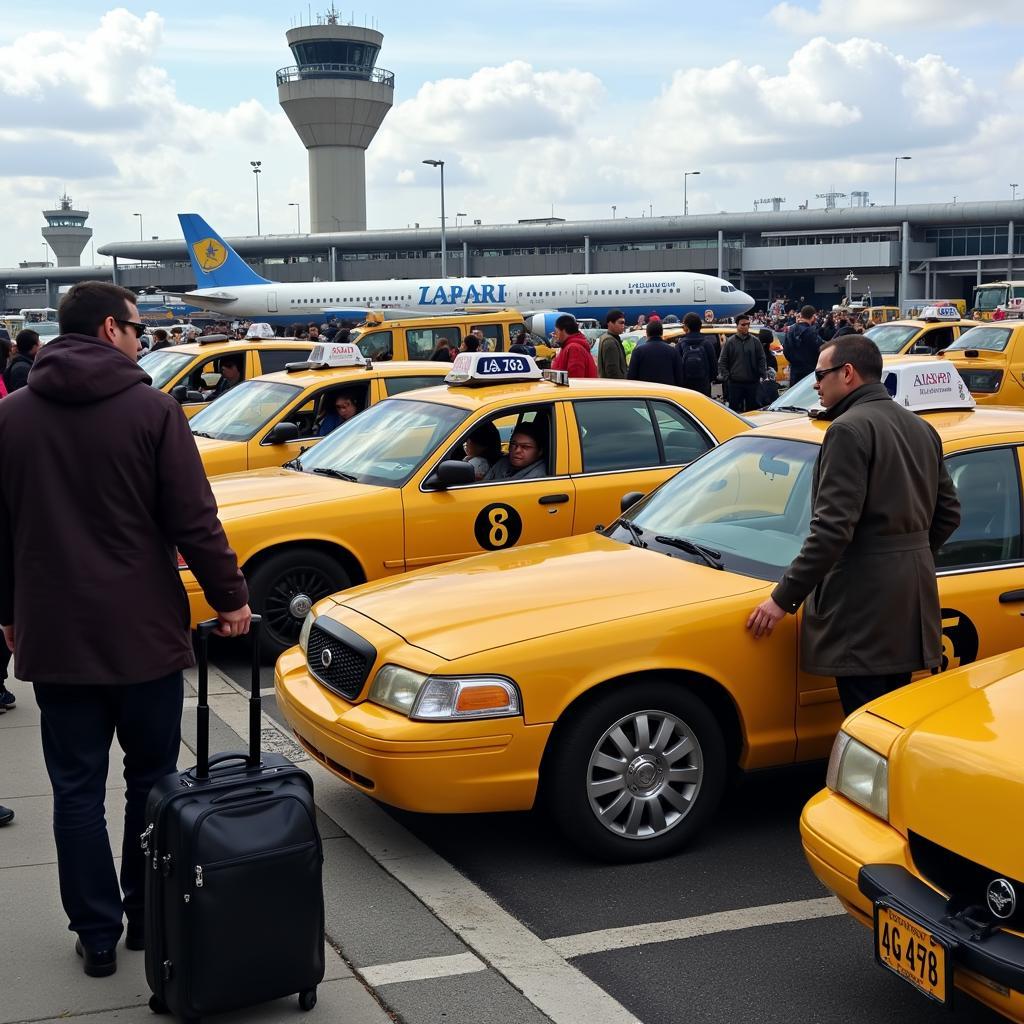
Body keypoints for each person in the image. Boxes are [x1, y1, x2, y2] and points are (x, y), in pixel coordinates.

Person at [0, 280, 251, 977]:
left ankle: (96, 934)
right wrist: (230, 597)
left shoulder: (13, 415)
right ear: (112, 329)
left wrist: (8, 612)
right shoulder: (153, 410)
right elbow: (192, 518)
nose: (142, 338)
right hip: (141, 632)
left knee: (75, 790)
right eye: (138, 327)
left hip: (55, 633)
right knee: (151, 779)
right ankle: (147, 917)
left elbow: (2, 528)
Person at [746, 335, 961, 716]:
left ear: (847, 374)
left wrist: (782, 599)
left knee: (865, 728)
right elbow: (949, 513)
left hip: (862, 603)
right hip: (911, 598)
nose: (815, 383)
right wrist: (909, 556)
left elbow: (832, 530)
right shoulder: (921, 428)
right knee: (891, 720)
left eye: (820, 374)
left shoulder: (847, 429)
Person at [717, 314, 766, 412]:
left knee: (753, 411)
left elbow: (762, 358)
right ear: (737, 326)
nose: (746, 327)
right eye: (743, 324)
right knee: (734, 412)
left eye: (748, 324)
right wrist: (727, 376)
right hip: (735, 384)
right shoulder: (730, 342)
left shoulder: (755, 341)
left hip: (752, 383)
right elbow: (722, 361)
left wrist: (761, 374)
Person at [626, 321, 685, 386]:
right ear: (662, 333)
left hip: (645, 393)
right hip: (667, 393)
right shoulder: (673, 351)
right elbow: (679, 377)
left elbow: (631, 377)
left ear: (647, 333)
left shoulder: (638, 351)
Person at [676, 312, 717, 396]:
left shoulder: (680, 345)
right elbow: (714, 367)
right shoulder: (707, 344)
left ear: (687, 327)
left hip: (686, 387)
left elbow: (677, 368)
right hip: (703, 385)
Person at [782, 305, 821, 387]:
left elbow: (785, 351)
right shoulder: (811, 332)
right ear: (813, 316)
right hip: (809, 372)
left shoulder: (790, 330)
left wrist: (794, 362)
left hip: (795, 371)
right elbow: (819, 348)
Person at [596, 309, 628, 379]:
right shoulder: (610, 342)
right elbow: (612, 371)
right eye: (620, 323)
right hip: (616, 386)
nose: (623, 326)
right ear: (610, 323)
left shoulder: (610, 338)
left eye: (624, 323)